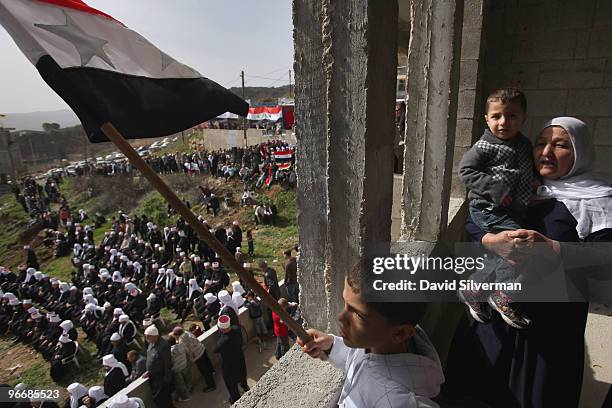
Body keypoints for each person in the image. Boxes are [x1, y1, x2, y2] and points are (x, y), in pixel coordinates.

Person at [444, 117, 612, 408]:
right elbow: (475, 220)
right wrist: (489, 241)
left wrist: (555, 249)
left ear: (580, 151)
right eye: (540, 143)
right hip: (493, 316)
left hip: (547, 327)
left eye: (560, 145)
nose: (545, 152)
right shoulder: (520, 185)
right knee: (475, 392)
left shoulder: (598, 200)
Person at [297, 259, 444, 408]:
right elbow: (359, 359)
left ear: (400, 333)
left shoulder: (400, 401)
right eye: (345, 303)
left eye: (359, 315)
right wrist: (331, 346)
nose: (340, 317)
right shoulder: (377, 343)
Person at [458, 88, 534, 328]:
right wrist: (496, 190)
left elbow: (524, 168)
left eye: (512, 116)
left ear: (523, 118)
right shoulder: (485, 145)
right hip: (488, 207)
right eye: (497, 116)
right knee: (518, 247)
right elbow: (466, 171)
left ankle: (474, 288)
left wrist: (535, 181)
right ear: (487, 119)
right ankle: (502, 295)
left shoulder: (523, 144)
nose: (504, 122)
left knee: (501, 251)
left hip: (510, 212)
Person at [214, 315, 249, 404]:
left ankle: (236, 399)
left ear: (222, 329)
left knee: (230, 383)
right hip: (239, 357)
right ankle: (245, 387)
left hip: (228, 363)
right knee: (242, 373)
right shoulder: (236, 329)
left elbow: (215, 349)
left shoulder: (223, 340)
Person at [172, 326, 216, 392]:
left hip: (198, 356)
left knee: (204, 371)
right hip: (202, 349)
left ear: (177, 334)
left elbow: (186, 350)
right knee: (208, 364)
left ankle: (211, 385)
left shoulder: (181, 339)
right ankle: (212, 372)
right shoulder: (187, 333)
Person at [143, 325, 175, 408]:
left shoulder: (163, 346)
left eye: (148, 337)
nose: (146, 339)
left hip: (161, 377)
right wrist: (149, 371)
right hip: (153, 376)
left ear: (155, 336)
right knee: (160, 398)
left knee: (162, 398)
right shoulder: (151, 343)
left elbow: (167, 363)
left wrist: (166, 379)